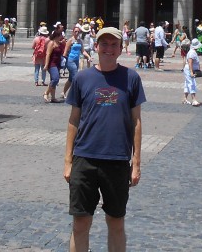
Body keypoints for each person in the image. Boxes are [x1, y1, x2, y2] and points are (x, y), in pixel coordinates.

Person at [64, 26, 145, 252]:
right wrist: (68, 161)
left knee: (116, 223)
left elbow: (136, 122)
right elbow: (73, 121)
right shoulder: (82, 78)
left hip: (117, 159)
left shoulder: (131, 78)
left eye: (113, 44)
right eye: (104, 44)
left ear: (121, 48)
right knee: (80, 224)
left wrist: (136, 163)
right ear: (96, 46)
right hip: (84, 158)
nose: (108, 49)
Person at [44, 25, 66, 102]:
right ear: (57, 36)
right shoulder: (51, 43)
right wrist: (46, 65)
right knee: (56, 79)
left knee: (53, 80)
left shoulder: (60, 43)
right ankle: (46, 93)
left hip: (57, 64)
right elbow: (48, 54)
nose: (62, 37)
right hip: (51, 64)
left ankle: (53, 97)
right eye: (61, 35)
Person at [182, 39, 202, 106]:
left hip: (190, 69)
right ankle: (193, 99)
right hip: (189, 69)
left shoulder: (193, 51)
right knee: (191, 83)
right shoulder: (192, 52)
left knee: (187, 83)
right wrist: (191, 72)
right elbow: (190, 62)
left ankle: (185, 98)